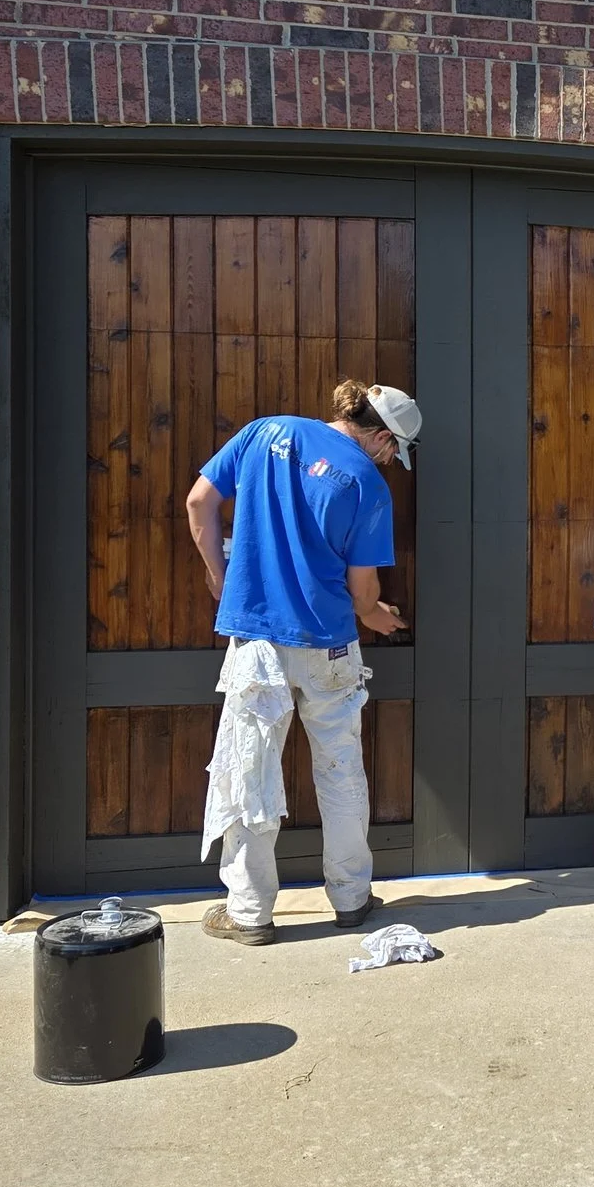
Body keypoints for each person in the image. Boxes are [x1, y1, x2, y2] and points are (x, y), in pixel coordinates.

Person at [182, 379, 419, 945]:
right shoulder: (368, 484)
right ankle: (351, 898)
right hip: (330, 642)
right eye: (394, 451)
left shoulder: (266, 431)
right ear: (383, 437)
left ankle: (249, 914)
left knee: (250, 769)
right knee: (340, 770)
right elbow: (363, 591)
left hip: (257, 638)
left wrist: (220, 575)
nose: (391, 461)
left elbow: (199, 502)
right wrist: (378, 616)